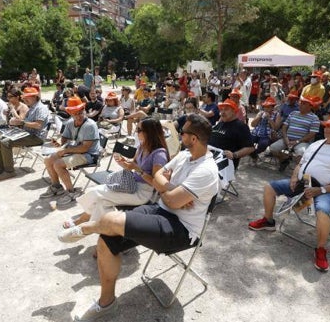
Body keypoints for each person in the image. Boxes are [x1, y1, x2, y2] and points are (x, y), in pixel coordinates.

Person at [68, 114, 219, 321]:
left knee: (111, 221)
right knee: (105, 241)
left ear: (193, 138)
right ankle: (106, 303)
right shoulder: (185, 155)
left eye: (182, 132)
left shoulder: (206, 170)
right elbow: (157, 177)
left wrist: (168, 190)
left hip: (180, 229)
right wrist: (173, 190)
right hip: (160, 210)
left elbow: (168, 194)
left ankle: (84, 229)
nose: (178, 134)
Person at [248, 112, 330, 272]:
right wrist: (293, 176)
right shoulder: (316, 144)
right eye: (327, 126)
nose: (328, 129)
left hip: (325, 190)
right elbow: (301, 164)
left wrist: (321, 190)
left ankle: (320, 249)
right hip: (301, 183)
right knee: (269, 187)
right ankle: (269, 221)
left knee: (323, 211)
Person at [58, 118, 169, 243]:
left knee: (95, 193)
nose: (136, 131)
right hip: (130, 184)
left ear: (149, 132)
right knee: (101, 202)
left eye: (139, 129)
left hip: (143, 192)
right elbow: (133, 164)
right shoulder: (143, 146)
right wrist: (123, 163)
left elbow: (156, 183)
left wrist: (138, 170)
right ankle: (105, 233)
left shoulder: (159, 154)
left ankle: (84, 226)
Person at [41, 97, 101, 205]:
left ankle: (71, 192)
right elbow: (64, 140)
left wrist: (65, 151)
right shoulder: (70, 123)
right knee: (48, 160)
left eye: (81, 112)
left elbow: (85, 148)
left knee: (58, 164)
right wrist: (58, 143)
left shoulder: (90, 125)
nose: (79, 115)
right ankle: (56, 186)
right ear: (71, 113)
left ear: (84, 110)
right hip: (76, 150)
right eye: (75, 113)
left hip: (89, 155)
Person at [0, 87, 50, 181]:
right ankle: (2, 167)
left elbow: (38, 125)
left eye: (27, 97)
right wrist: (16, 120)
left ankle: (9, 171)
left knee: (5, 142)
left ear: (35, 97)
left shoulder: (40, 108)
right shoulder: (32, 107)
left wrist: (21, 123)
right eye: (24, 97)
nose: (24, 99)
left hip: (36, 137)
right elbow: (24, 121)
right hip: (27, 134)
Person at [268, 95, 322, 171]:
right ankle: (284, 159)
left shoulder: (314, 118)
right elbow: (284, 127)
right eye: (301, 103)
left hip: (302, 142)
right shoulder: (293, 113)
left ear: (310, 106)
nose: (300, 104)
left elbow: (312, 133)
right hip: (287, 139)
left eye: (303, 103)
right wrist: (286, 138)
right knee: (273, 148)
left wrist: (297, 141)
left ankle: (297, 173)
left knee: (301, 153)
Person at [208, 99, 254, 169]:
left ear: (234, 111)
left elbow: (250, 148)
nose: (222, 112)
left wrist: (234, 154)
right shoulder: (221, 123)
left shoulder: (241, 126)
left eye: (226, 109)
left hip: (224, 166)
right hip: (210, 160)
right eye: (221, 110)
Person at [250, 97, 282, 161]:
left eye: (268, 107)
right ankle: (252, 153)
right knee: (247, 141)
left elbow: (276, 128)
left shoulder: (277, 115)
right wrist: (259, 117)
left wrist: (269, 119)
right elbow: (252, 125)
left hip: (267, 135)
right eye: (265, 107)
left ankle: (253, 154)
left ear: (272, 108)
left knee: (263, 144)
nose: (266, 109)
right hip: (256, 133)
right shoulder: (260, 113)